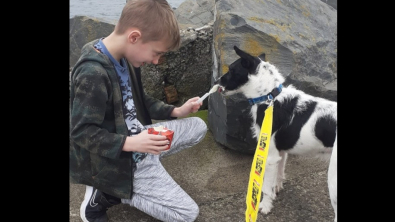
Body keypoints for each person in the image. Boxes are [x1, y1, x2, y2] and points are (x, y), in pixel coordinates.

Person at [69, 0, 208, 221]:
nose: (155, 61)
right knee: (187, 214)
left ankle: (143, 171)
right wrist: (132, 144)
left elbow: (139, 99)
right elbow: (81, 133)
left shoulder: (124, 57)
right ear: (134, 37)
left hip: (139, 138)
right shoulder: (92, 72)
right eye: (155, 53)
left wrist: (177, 111)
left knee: (199, 126)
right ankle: (111, 193)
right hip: (119, 158)